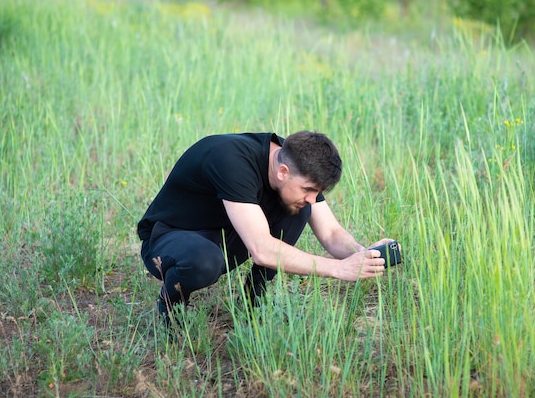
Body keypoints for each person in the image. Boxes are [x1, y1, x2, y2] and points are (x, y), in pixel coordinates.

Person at [137, 131, 394, 323]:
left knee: (298, 207)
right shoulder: (233, 160)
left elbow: (331, 233)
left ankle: (251, 304)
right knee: (205, 261)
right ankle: (172, 306)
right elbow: (261, 249)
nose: (313, 197)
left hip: (221, 236)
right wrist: (338, 268)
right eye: (309, 189)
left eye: (318, 192)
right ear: (282, 171)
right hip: (168, 238)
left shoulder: (297, 165)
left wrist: (364, 254)